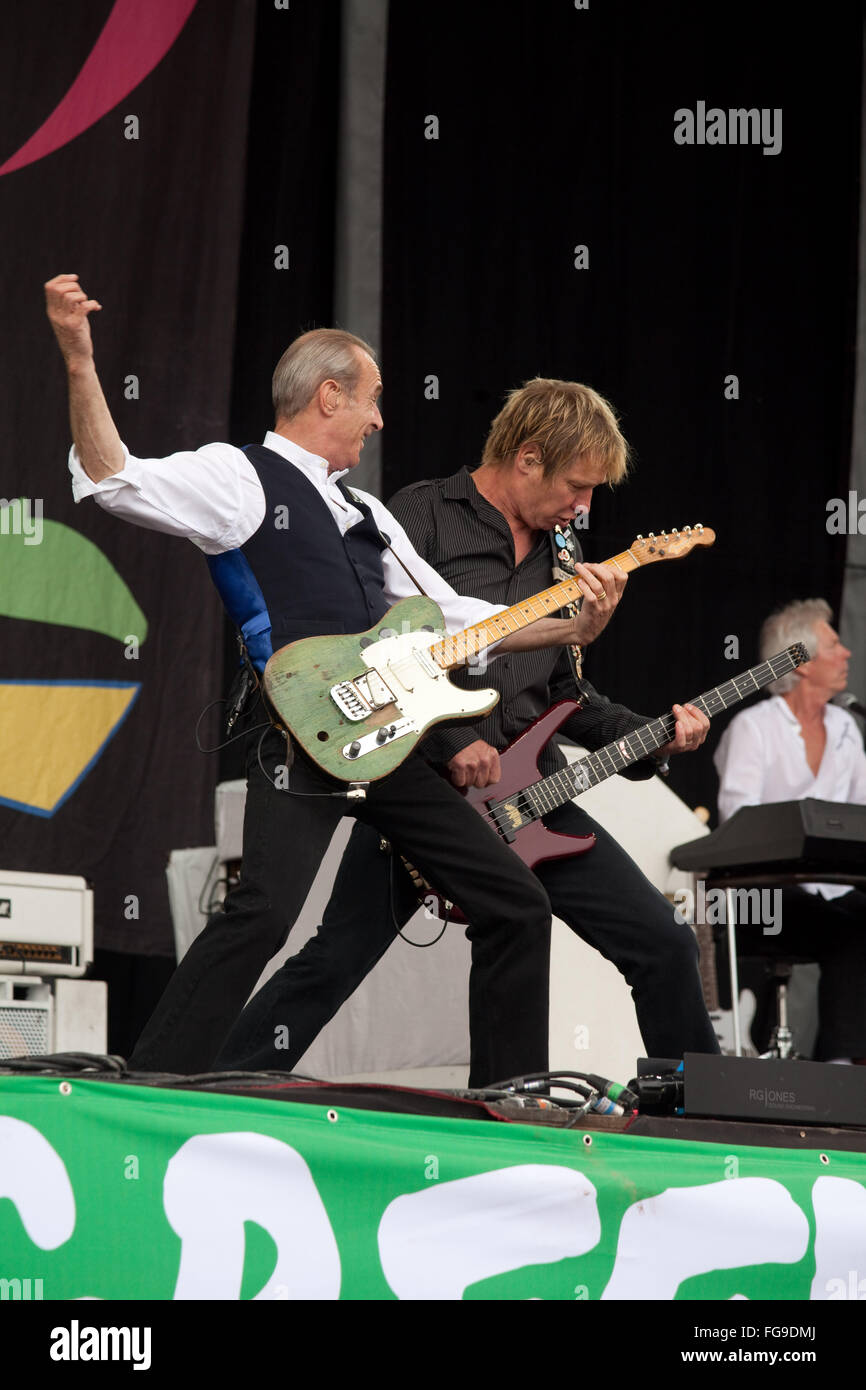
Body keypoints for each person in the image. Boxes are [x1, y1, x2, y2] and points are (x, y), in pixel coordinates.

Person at [45, 272, 645, 1083]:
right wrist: (81, 360)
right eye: (372, 398)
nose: (380, 417)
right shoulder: (241, 475)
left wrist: (575, 623)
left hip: (387, 737)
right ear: (329, 397)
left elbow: (452, 616)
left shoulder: (368, 511)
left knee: (515, 901)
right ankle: (156, 1082)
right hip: (302, 731)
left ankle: (510, 1100)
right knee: (262, 915)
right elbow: (114, 477)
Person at [215, 377, 720, 1079]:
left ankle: (689, 1105)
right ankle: (223, 1080)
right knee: (337, 956)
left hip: (529, 796)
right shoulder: (417, 514)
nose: (584, 505)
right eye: (576, 485)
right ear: (527, 458)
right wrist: (454, 744)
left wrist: (653, 733)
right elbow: (374, 651)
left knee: (663, 943)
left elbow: (570, 694)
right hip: (420, 778)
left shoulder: (566, 556)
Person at [714, 599, 866, 1062]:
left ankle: (844, 1066)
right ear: (799, 662)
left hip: (832, 891)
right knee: (794, 911)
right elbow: (735, 819)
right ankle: (758, 1058)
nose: (848, 654)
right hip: (764, 893)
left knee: (861, 918)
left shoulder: (847, 726)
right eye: (835, 645)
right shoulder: (754, 728)